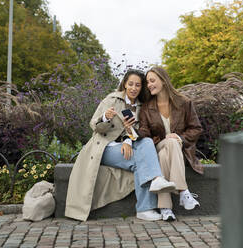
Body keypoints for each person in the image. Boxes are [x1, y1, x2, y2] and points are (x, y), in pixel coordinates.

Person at [65, 69, 176, 222]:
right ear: (124, 84)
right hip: (105, 148)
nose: (134, 88)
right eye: (130, 84)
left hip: (125, 147)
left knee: (147, 142)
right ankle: (146, 205)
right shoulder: (112, 99)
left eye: (137, 85)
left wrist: (128, 139)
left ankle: (151, 193)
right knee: (141, 161)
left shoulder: (140, 107)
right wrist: (105, 117)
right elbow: (95, 126)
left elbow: (137, 133)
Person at [138, 66, 203, 221]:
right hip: (158, 145)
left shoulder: (184, 103)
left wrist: (181, 138)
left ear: (163, 81)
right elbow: (145, 131)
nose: (149, 85)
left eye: (152, 80)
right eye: (148, 82)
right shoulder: (147, 107)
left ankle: (165, 208)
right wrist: (132, 131)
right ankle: (183, 192)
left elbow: (196, 128)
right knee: (169, 143)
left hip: (175, 150)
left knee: (167, 152)